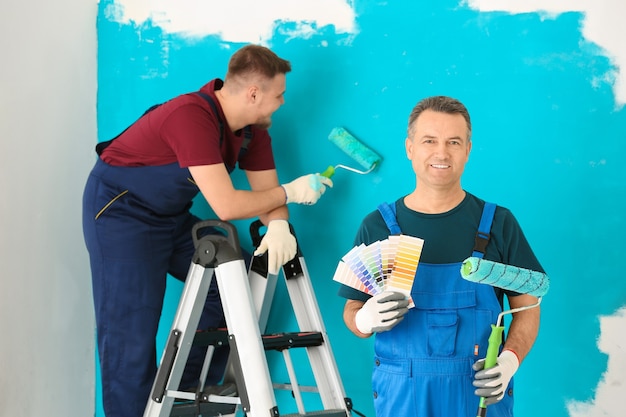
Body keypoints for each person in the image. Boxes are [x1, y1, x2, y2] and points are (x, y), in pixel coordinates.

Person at [82, 44, 333, 417]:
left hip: (169, 217)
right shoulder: (190, 116)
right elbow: (227, 206)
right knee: (129, 335)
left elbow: (268, 193)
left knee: (234, 277)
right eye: (278, 95)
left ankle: (183, 393)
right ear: (253, 94)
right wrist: (291, 193)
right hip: (122, 216)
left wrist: (279, 224)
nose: (281, 103)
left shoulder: (251, 131)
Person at [338, 95, 544, 417]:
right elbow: (352, 312)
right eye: (429, 141)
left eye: (453, 142)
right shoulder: (377, 227)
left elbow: (528, 308)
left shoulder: (498, 224)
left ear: (468, 150)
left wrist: (509, 361)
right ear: (410, 148)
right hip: (402, 399)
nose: (441, 152)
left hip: (479, 398)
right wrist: (364, 318)